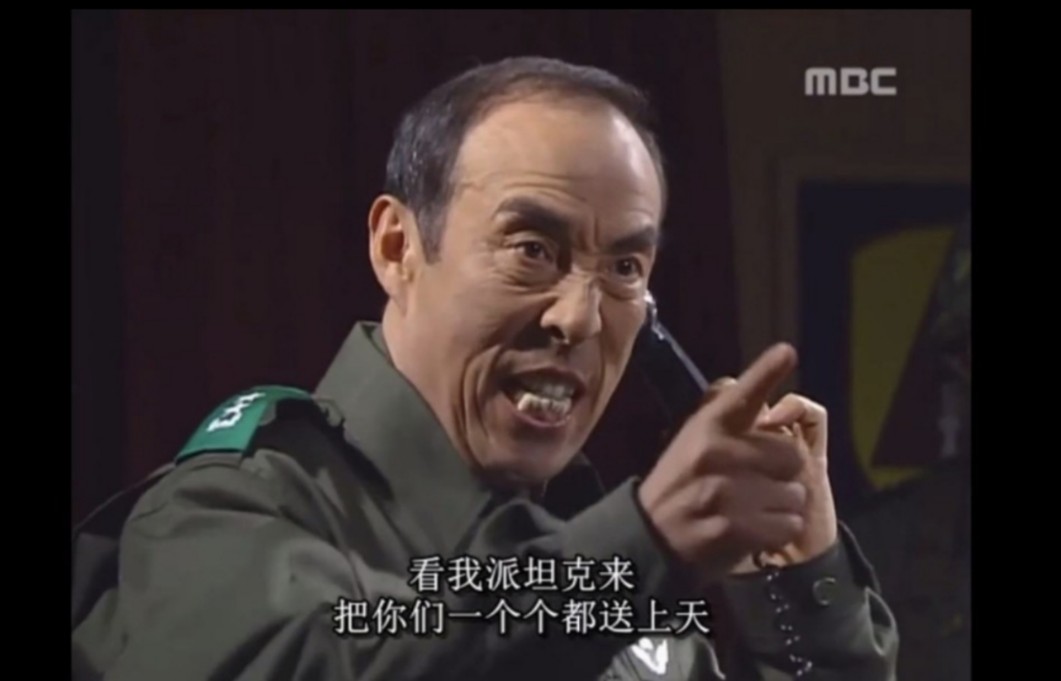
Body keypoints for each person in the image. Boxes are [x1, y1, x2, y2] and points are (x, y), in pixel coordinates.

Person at [72, 56, 899, 680]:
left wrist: (800, 585)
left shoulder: (620, 581)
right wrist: (638, 549)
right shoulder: (236, 506)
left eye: (624, 269)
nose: (579, 317)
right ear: (397, 247)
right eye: (532, 249)